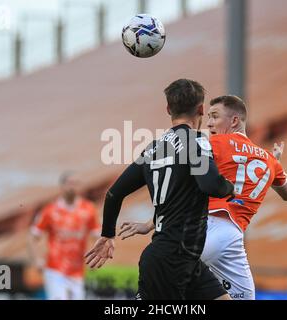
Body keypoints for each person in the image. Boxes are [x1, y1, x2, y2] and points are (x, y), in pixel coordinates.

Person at [119, 95, 287, 300]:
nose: (209, 122)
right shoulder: (267, 159)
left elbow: (180, 188)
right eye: (209, 117)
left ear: (234, 121)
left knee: (163, 286)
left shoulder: (209, 144)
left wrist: (151, 224)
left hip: (201, 230)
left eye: (215, 116)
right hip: (231, 237)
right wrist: (276, 164)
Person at [85, 79, 235, 300]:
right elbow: (210, 184)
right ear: (201, 109)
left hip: (184, 258)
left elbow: (114, 194)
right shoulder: (196, 141)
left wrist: (108, 233)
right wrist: (232, 187)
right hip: (171, 258)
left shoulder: (153, 148)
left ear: (168, 109)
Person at [28, 171, 100, 300]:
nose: (73, 187)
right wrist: (37, 260)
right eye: (70, 183)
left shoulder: (88, 209)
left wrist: (96, 257)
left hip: (77, 270)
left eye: (76, 183)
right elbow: (33, 237)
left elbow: (98, 236)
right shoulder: (50, 210)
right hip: (55, 269)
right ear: (62, 186)